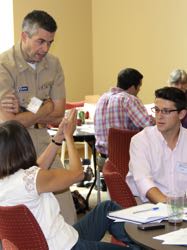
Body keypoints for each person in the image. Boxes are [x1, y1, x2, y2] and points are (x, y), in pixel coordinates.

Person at [0, 109, 142, 250]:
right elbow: (78, 174)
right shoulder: (32, 179)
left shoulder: (13, 180)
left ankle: (141, 243)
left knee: (107, 209)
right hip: (66, 246)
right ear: (26, 147)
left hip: (60, 239)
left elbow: (37, 168)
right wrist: (69, 137)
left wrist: (58, 137)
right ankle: (144, 243)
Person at [0, 10, 76, 224]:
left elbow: (59, 112)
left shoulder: (53, 64)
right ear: (24, 36)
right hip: (11, 148)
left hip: (44, 142)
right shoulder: (3, 65)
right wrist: (43, 109)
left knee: (65, 208)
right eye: (40, 41)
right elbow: (9, 122)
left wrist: (23, 110)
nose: (45, 49)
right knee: (17, 214)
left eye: (49, 42)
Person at [126, 87, 187, 204]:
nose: (159, 116)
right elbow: (145, 183)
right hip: (148, 208)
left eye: (166, 111)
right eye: (157, 110)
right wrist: (172, 208)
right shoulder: (141, 141)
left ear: (181, 114)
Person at [94, 68, 155, 160]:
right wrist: (155, 119)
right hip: (125, 157)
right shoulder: (128, 99)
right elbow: (147, 124)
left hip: (103, 158)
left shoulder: (102, 99)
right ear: (132, 87)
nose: (139, 90)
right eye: (139, 86)